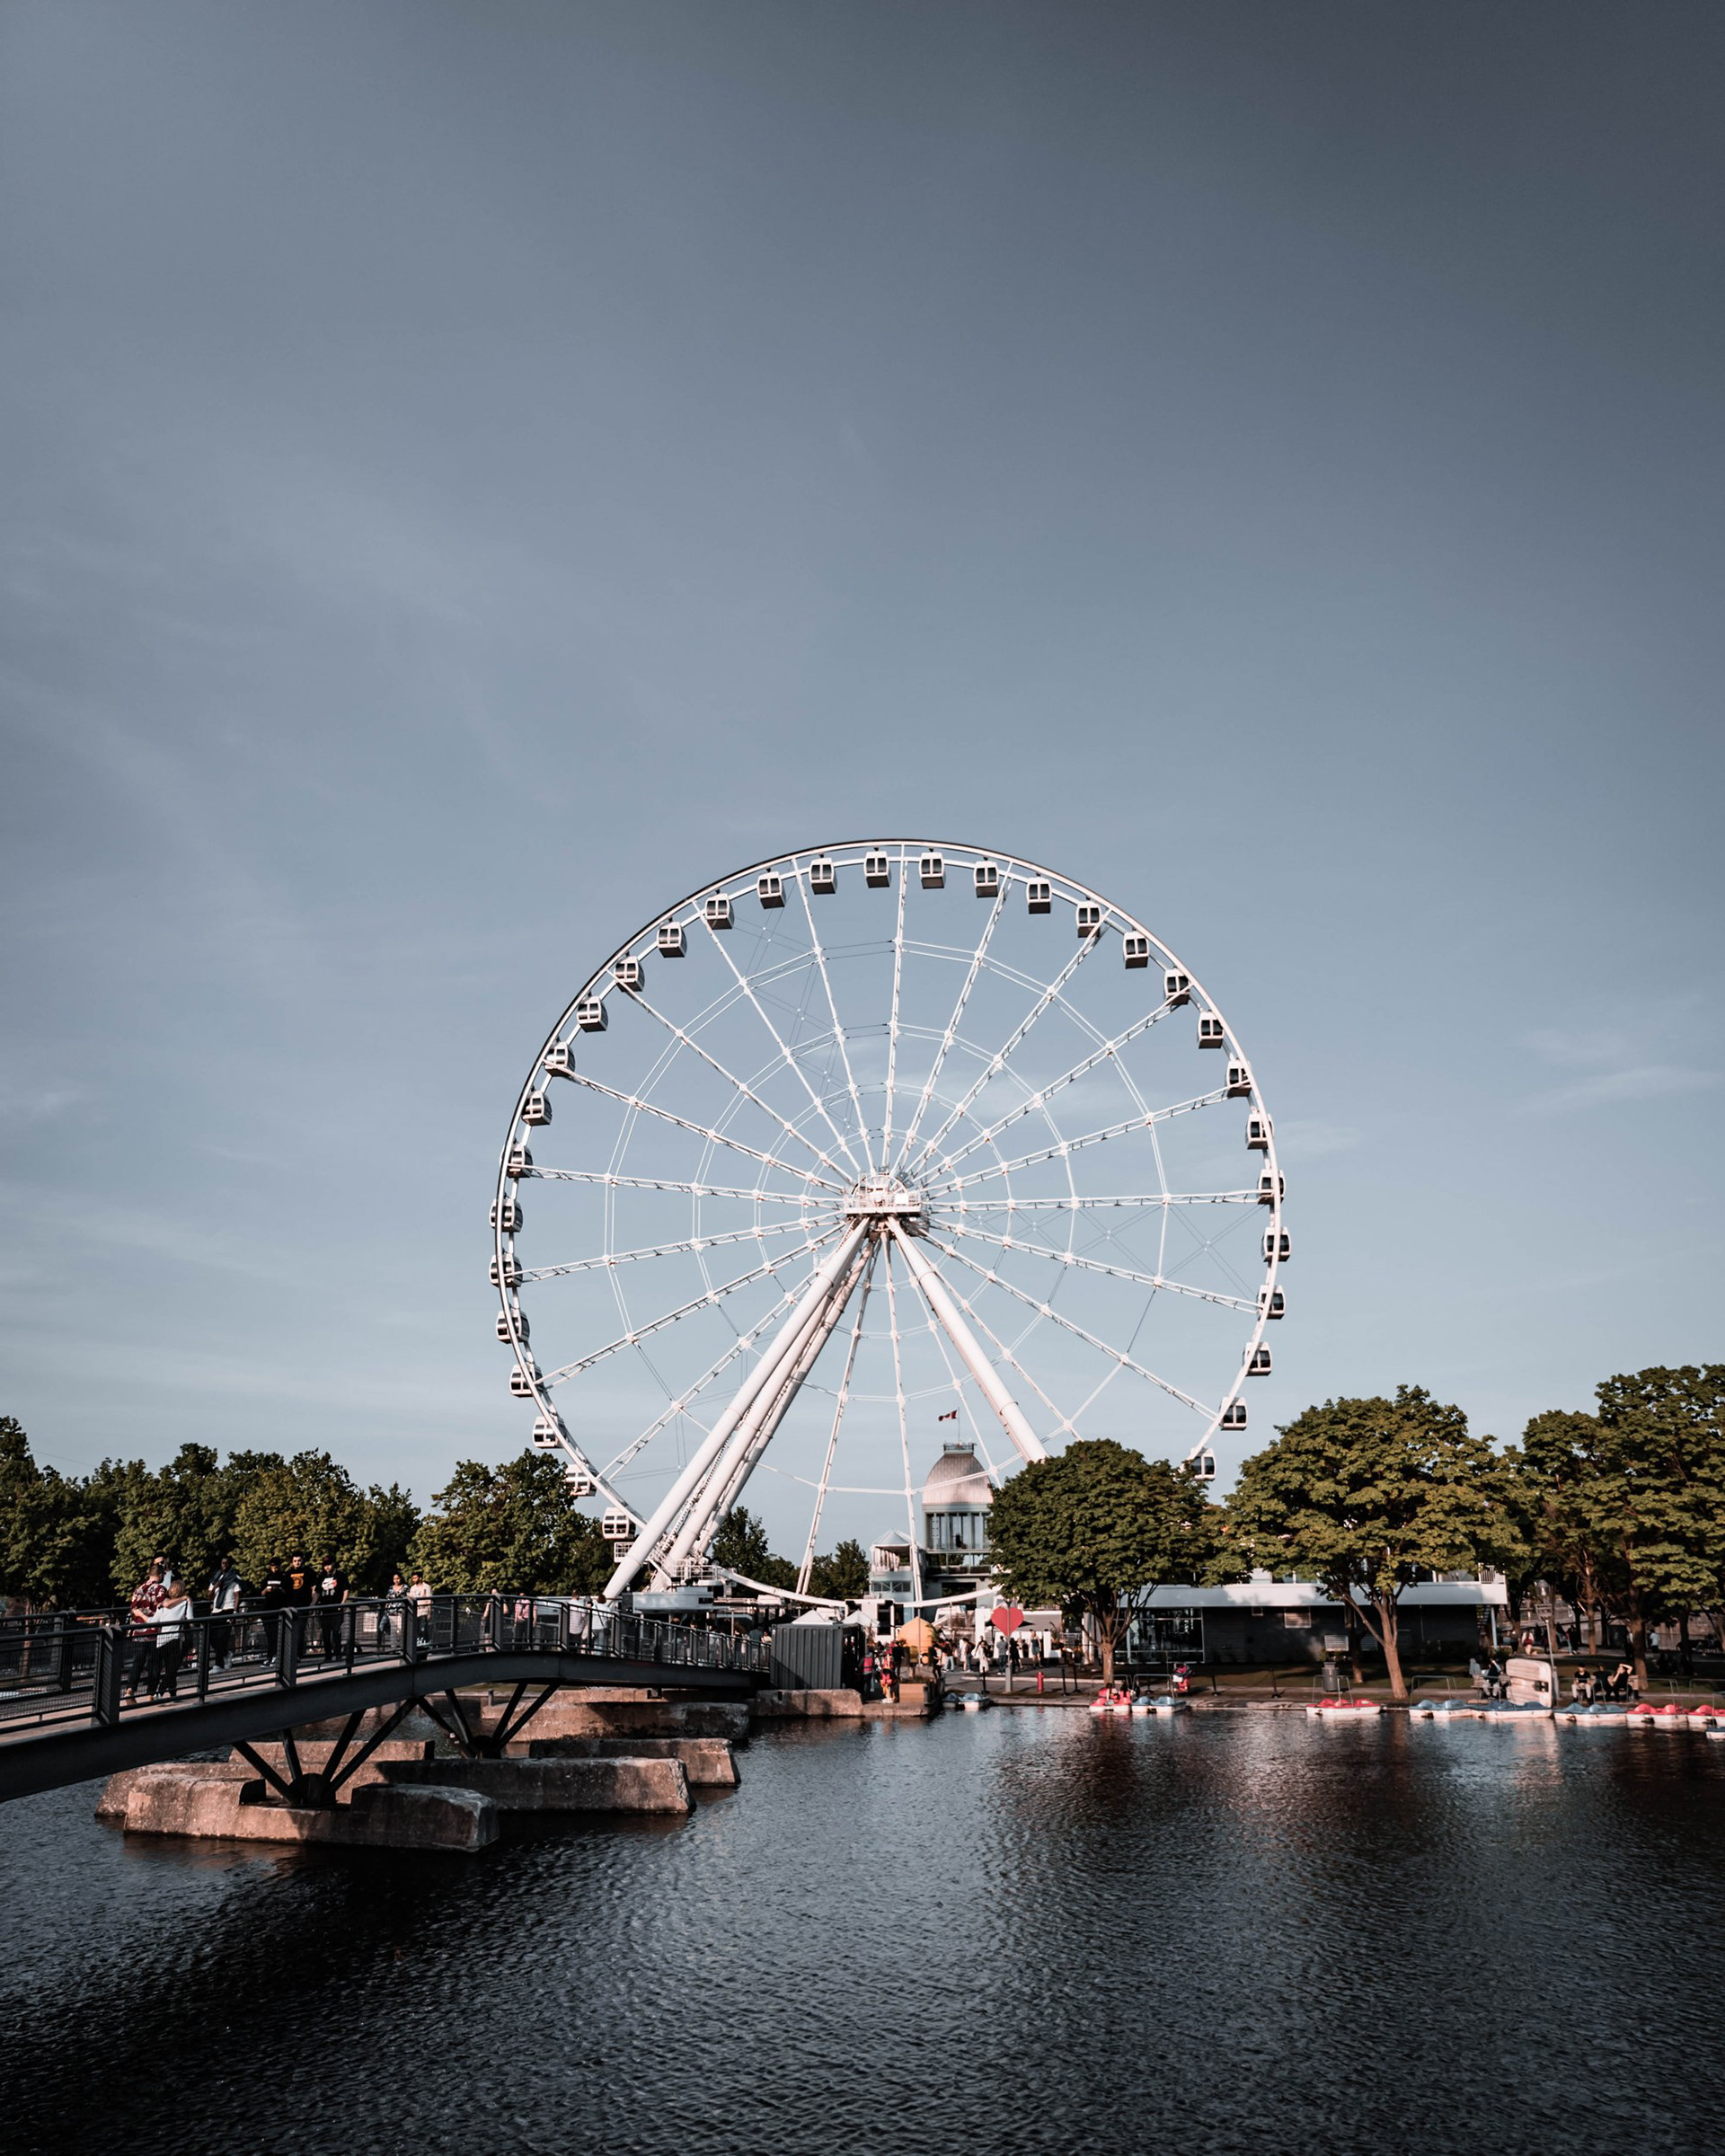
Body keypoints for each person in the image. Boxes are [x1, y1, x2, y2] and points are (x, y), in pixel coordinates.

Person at [126, 1561, 167, 1701]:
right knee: (155, 1663)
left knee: (138, 1662)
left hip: (138, 1631)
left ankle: (130, 1689)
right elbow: (161, 1608)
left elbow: (133, 1609)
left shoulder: (139, 1589)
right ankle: (151, 1693)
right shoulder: (160, 1589)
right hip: (153, 1631)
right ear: (160, 1575)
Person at [148, 1577, 195, 1700]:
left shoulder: (163, 1604)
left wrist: (141, 1616)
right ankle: (160, 1692)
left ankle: (173, 1692)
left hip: (161, 1639)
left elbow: (154, 1622)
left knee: (168, 1666)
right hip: (175, 1638)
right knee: (172, 1668)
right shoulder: (186, 1602)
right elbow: (191, 1621)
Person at [207, 1554, 243, 1670]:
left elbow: (237, 1595)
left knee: (222, 1637)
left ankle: (218, 1665)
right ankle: (226, 1653)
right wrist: (215, 1586)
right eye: (223, 1563)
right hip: (216, 1610)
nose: (225, 1565)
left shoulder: (234, 1578)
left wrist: (235, 1612)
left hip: (228, 1609)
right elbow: (209, 1596)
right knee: (212, 1637)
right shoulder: (216, 1577)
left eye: (227, 1563)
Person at [314, 1559, 346, 1659]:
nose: (327, 1567)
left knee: (336, 1632)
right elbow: (317, 1591)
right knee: (325, 1633)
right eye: (325, 1565)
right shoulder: (322, 1576)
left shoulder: (340, 1575)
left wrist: (342, 1603)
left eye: (328, 1565)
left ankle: (338, 1653)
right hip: (325, 1609)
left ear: (333, 1564)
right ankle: (328, 1655)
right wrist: (313, 1604)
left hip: (336, 1608)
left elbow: (346, 1589)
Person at [407, 1569, 433, 1649]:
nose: (414, 1580)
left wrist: (429, 1612)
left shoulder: (426, 1587)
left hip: (423, 1611)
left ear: (420, 1578)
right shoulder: (412, 1588)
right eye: (413, 1578)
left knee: (423, 1628)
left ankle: (426, 1645)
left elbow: (429, 1600)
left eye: (415, 1578)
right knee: (416, 1629)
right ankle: (418, 1646)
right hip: (415, 1611)